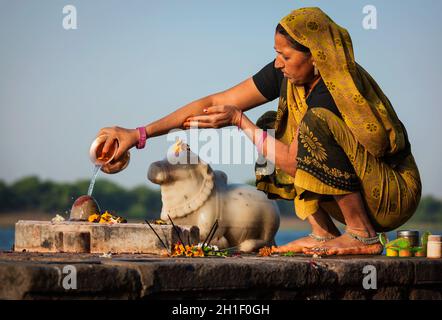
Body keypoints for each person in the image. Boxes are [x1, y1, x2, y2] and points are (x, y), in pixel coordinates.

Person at [96, 7, 421, 255]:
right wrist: (139, 134)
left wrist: (240, 122)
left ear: (316, 58)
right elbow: (213, 101)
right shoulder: (289, 77)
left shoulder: (331, 92)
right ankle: (322, 232)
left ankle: (362, 235)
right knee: (272, 125)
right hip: (356, 188)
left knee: (307, 125)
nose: (278, 63)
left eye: (285, 56)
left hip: (390, 194)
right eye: (276, 54)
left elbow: (295, 163)